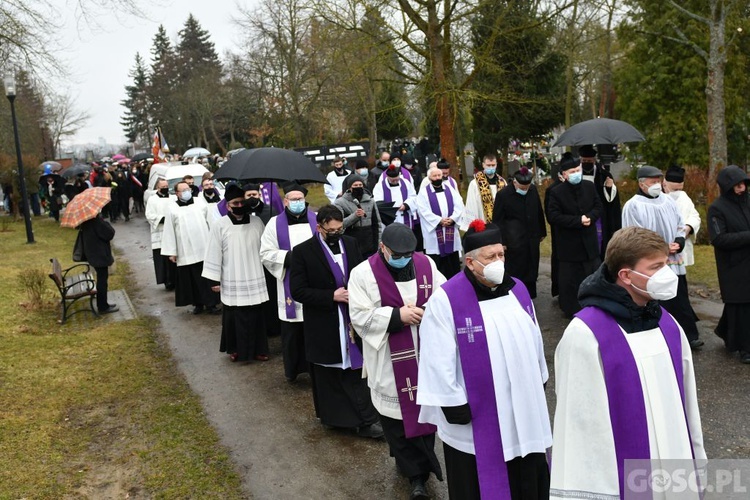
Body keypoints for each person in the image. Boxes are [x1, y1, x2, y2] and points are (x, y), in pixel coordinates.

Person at [550, 226, 706, 499]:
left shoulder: (667, 324)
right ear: (625, 275)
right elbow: (580, 425)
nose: (665, 275)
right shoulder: (586, 334)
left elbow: (688, 405)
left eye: (665, 265)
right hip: (620, 476)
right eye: (656, 267)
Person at [417, 220, 551, 500]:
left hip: (523, 408)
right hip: (477, 415)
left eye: (501, 254)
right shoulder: (447, 299)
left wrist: (540, 375)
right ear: (470, 262)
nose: (499, 262)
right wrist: (452, 402)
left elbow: (534, 336)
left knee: (527, 470)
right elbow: (436, 355)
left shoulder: (517, 289)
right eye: (491, 257)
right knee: (479, 481)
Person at [348, 223, 445, 499]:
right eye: (398, 254)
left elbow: (444, 297)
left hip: (425, 355)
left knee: (425, 413)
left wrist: (425, 310)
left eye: (408, 254)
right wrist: (396, 317)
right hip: (389, 358)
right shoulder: (362, 274)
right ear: (383, 248)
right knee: (396, 421)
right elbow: (359, 315)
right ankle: (414, 474)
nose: (404, 259)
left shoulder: (426, 265)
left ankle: (422, 467)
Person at [289, 205, 383, 438]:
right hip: (325, 321)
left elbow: (362, 274)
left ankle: (365, 419)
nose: (336, 233)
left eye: (340, 228)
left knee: (356, 370)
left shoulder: (350, 244)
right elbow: (297, 290)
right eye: (331, 230)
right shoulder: (303, 251)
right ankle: (335, 418)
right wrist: (331, 296)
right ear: (319, 227)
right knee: (331, 373)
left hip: (353, 316)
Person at [622, 165, 702, 349]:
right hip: (650, 261)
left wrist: (679, 241)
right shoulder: (633, 206)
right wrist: (659, 248)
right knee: (656, 298)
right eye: (653, 182)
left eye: (659, 181)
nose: (657, 185)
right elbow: (633, 235)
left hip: (673, 259)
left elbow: (680, 224)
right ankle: (659, 336)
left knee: (678, 297)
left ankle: (688, 335)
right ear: (642, 184)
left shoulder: (668, 201)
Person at [202, 184, 270, 363]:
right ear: (227, 205)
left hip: (255, 272)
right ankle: (236, 349)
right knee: (235, 315)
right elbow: (213, 252)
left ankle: (259, 349)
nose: (239, 206)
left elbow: (267, 248)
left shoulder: (257, 223)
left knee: (256, 313)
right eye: (235, 203)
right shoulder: (220, 225)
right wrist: (213, 280)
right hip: (232, 275)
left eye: (242, 202)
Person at [260, 182, 317, 382]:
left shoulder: (316, 220)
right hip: (289, 281)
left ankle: (316, 369)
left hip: (313, 282)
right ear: (285, 201)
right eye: (293, 200)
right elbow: (266, 253)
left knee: (313, 330)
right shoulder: (274, 224)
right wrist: (290, 257)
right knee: (293, 332)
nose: (297, 203)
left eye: (300, 199)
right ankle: (293, 370)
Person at [545, 154, 602, 317]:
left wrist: (590, 217)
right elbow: (553, 216)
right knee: (571, 280)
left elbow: (598, 206)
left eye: (578, 170)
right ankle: (572, 310)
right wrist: (578, 220)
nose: (576, 173)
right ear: (564, 174)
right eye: (572, 171)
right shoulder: (556, 192)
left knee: (592, 275)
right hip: (569, 246)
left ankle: (594, 306)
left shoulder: (589, 187)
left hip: (589, 243)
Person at [708, 165, 750, 364]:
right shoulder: (717, 208)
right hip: (733, 264)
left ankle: (726, 331)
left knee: (741, 305)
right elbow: (719, 238)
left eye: (743, 183)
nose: (742, 188)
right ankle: (745, 348)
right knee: (740, 304)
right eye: (737, 185)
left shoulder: (748, 201)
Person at [160, 181, 220, 314]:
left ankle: (212, 303)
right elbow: (169, 230)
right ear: (177, 193)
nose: (187, 192)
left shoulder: (200, 203)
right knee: (192, 279)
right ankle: (197, 304)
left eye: (188, 189)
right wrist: (172, 252)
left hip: (204, 246)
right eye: (183, 190)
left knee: (207, 277)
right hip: (185, 250)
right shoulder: (171, 208)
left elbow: (210, 222)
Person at [492, 166, 547, 298]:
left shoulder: (532, 190)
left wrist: (542, 231)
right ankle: (515, 294)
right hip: (513, 240)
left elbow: (539, 211)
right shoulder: (503, 195)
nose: (525, 190)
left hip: (532, 236)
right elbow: (498, 220)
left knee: (532, 265)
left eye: (527, 187)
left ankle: (530, 294)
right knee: (517, 268)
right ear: (515, 182)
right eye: (522, 188)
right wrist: (501, 241)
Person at [244, 182, 281, 338]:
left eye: (254, 194)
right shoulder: (242, 212)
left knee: (271, 293)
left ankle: (273, 326)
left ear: (259, 194)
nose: (252, 197)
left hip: (266, 259)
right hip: (248, 258)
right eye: (248, 195)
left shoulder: (270, 211)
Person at [416, 167, 465, 279]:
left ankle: (454, 280)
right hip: (434, 232)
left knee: (452, 262)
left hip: (450, 229)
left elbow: (459, 205)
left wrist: (452, 219)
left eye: (439, 175)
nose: (438, 178)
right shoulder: (424, 193)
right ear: (429, 178)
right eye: (435, 176)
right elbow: (423, 211)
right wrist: (439, 220)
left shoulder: (450, 190)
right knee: (437, 262)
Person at [579, 145, 621, 258]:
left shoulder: (603, 175)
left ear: (594, 160)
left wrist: (609, 187)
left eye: (589, 161)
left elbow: (612, 200)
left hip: (599, 216)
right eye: (584, 161)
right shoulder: (576, 175)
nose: (587, 163)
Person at [334, 174, 383, 258]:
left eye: (360, 185)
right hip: (351, 246)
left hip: (369, 246)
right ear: (349, 187)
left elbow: (377, 224)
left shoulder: (370, 201)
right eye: (355, 185)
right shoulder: (340, 202)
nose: (358, 187)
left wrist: (378, 245)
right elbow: (338, 225)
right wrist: (355, 216)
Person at [79, 212, 118, 313]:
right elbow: (110, 233)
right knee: (102, 280)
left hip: (93, 254)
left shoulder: (86, 221)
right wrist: (104, 222)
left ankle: (103, 303)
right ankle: (102, 306)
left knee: (102, 279)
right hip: (99, 255)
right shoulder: (96, 221)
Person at [145, 178, 176, 289]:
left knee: (173, 258)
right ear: (157, 188)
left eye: (166, 186)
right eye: (163, 187)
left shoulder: (173, 198)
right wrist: (161, 219)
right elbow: (149, 215)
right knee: (163, 260)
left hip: (172, 232)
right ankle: (166, 281)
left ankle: (176, 280)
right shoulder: (152, 200)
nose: (165, 188)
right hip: (160, 232)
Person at [462, 154, 507, 228]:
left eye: (493, 165)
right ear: (483, 165)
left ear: (496, 165)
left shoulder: (502, 182)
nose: (491, 167)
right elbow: (471, 205)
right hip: (482, 224)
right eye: (488, 165)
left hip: (500, 225)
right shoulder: (475, 184)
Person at [372, 164, 418, 229]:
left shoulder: (406, 183)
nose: (395, 181)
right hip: (388, 219)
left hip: (404, 216)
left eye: (397, 179)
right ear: (387, 177)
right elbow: (378, 202)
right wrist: (391, 209)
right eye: (393, 180)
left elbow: (413, 197)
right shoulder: (380, 186)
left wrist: (406, 205)